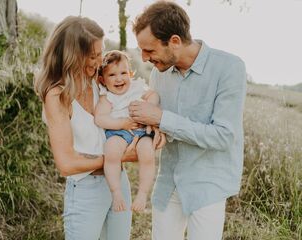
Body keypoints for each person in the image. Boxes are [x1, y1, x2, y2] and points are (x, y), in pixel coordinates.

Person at [129, 1, 247, 240]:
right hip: (168, 183)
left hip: (208, 186)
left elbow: (224, 136)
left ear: (174, 41)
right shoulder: (158, 73)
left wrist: (162, 119)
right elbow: (159, 127)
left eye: (149, 50)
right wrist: (152, 132)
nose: (144, 58)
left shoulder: (229, 68)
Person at [34, 16, 151, 240]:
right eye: (93, 56)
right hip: (86, 188)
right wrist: (119, 157)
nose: (100, 62)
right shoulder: (57, 96)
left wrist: (155, 129)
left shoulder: (100, 82)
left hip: (118, 182)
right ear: (72, 55)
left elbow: (134, 101)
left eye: (101, 53)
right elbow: (67, 164)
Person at [94, 50, 160, 212]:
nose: (119, 78)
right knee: (111, 151)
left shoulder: (137, 87)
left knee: (147, 153)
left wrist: (149, 107)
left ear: (130, 73)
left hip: (141, 130)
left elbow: (153, 95)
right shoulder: (106, 97)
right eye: (112, 75)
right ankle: (116, 193)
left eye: (124, 73)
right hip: (119, 133)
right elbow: (100, 118)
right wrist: (121, 123)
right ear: (102, 80)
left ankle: (143, 193)